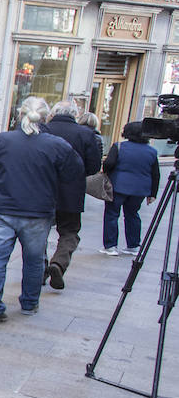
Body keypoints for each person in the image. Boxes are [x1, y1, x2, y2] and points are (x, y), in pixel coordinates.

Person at [0, 97, 83, 324]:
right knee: (34, 259)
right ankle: (29, 303)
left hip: (4, 208)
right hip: (37, 210)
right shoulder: (57, 145)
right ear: (46, 117)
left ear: (20, 114)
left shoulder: (2, 140)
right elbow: (71, 175)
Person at [41, 99, 101, 289]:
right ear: (75, 114)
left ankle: (40, 268)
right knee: (69, 231)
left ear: (53, 113)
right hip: (71, 191)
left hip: (44, 189)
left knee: (39, 231)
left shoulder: (44, 130)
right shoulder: (86, 134)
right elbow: (93, 167)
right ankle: (58, 262)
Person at [101, 121, 160, 256]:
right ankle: (133, 245)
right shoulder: (152, 151)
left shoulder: (119, 146)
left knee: (112, 214)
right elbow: (155, 174)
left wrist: (107, 172)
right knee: (132, 214)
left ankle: (111, 246)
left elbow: (109, 163)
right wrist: (153, 193)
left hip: (118, 185)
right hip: (140, 189)